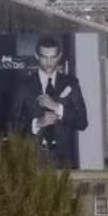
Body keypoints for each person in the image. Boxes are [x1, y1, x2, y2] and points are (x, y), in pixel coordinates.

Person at [12, 35, 88, 170]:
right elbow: (12, 125)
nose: (49, 62)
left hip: (64, 163)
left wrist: (57, 107)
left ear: (59, 56)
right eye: (44, 57)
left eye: (53, 57)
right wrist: (38, 123)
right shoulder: (24, 86)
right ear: (37, 56)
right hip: (32, 162)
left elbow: (82, 122)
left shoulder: (71, 83)